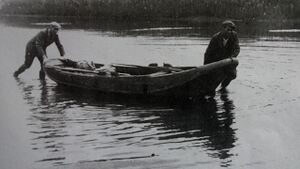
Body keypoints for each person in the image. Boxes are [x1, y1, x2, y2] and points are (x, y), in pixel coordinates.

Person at [204, 20, 240, 89]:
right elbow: (208, 53)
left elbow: (237, 48)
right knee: (216, 78)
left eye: (231, 30)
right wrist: (206, 67)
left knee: (233, 75)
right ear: (223, 29)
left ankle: (223, 87)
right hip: (216, 61)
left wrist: (232, 58)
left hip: (229, 60)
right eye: (228, 30)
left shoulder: (234, 35)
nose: (230, 32)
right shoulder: (215, 38)